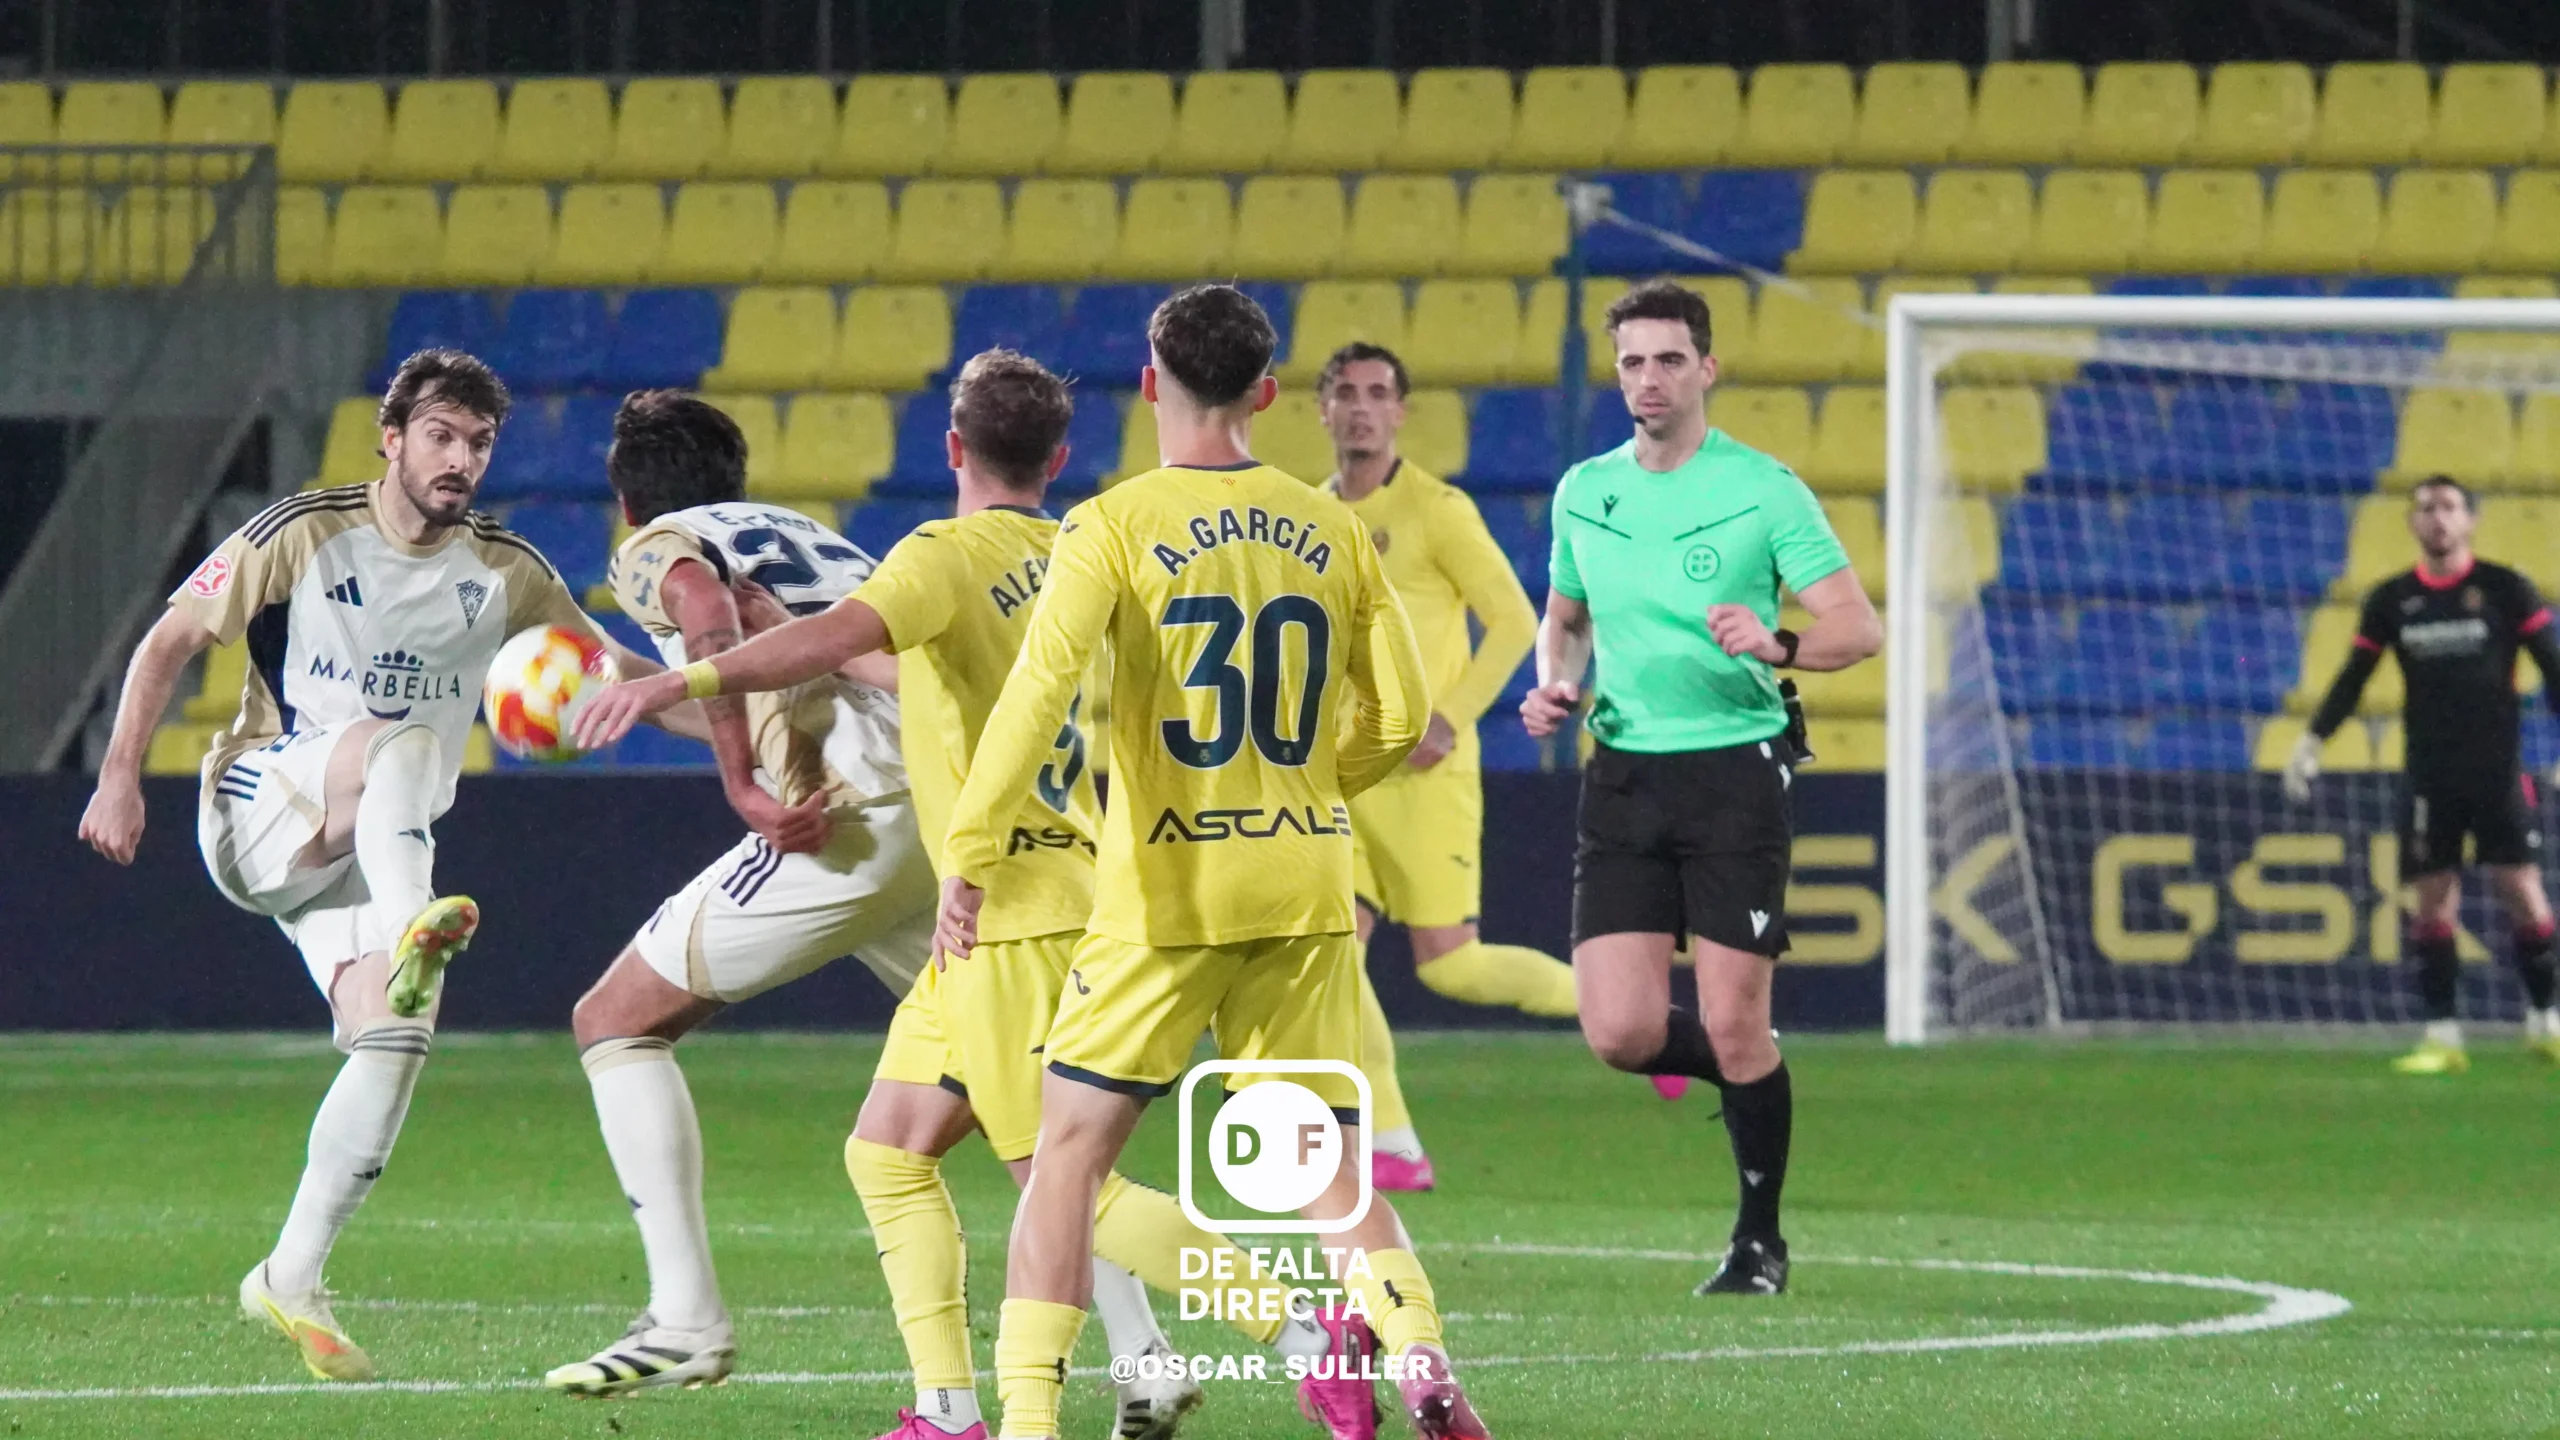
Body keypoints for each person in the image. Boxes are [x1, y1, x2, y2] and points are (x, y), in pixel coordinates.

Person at [575, 351, 1345, 1440]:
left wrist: (708, 717)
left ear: (950, 449)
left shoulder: (910, 554)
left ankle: (1299, 1331)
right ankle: (973, 1402)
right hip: (990, 864)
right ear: (1061, 457)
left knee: (1056, 1166)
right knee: (892, 1148)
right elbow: (905, 674)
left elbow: (763, 631)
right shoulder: (1069, 548)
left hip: (987, 880)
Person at [929, 285, 1491, 1440]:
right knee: (1328, 1172)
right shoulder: (1333, 525)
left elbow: (1038, 697)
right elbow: (1401, 716)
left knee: (1067, 1159)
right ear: (1268, 396)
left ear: (1150, 384)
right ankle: (1421, 1356)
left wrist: (973, 851)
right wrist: (1307, 795)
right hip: (1304, 891)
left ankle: (1029, 1420)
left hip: (1162, 902)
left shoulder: (1112, 524)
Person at [76, 350, 686, 1381]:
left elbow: (612, 668)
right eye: (442, 436)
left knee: (396, 1034)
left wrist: (725, 691)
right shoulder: (301, 531)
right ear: (393, 438)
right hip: (262, 806)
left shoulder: (507, 569)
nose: (461, 460)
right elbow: (169, 641)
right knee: (397, 740)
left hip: (367, 842)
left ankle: (291, 1272)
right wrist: (118, 777)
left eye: (480, 443)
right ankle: (416, 916)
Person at [535, 391, 952, 1395]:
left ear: (626, 500)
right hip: (935, 810)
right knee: (1026, 1107)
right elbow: (761, 667)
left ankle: (685, 1318)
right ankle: (1158, 1351)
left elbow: (708, 619)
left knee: (614, 1021)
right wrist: (638, 688)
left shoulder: (659, 546)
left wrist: (740, 785)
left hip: (843, 815)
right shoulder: (801, 534)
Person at [1521, 279, 1881, 1298]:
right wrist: (1552, 682)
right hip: (1626, 772)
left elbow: (1860, 627)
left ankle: (1758, 1239)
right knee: (1621, 1033)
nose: (1648, 378)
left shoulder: (1763, 490)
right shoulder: (1585, 488)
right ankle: (1757, 1073)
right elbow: (1568, 617)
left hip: (1734, 771)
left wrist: (1782, 643)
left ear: (1706, 368)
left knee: (1730, 1024)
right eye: (1632, 361)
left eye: (1668, 359)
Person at [1313, 341, 1566, 1194]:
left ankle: (1635, 1020)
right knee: (1327, 951)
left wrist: (1450, 719)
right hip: (1342, 776)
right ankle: (1391, 1138)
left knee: (1450, 965)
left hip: (1425, 777)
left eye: (1377, 393)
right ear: (1321, 409)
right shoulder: (1308, 516)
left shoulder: (1437, 511)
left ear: (1400, 413)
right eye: (1344, 392)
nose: (1359, 407)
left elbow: (1513, 622)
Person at [2288, 474, 2560, 1072]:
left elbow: (2554, 668)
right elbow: (2354, 676)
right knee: (2433, 905)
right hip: (2428, 776)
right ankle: (2443, 1038)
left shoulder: (2505, 588)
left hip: (2497, 772)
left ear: (2470, 520)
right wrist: (2313, 740)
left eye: (2449, 507)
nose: (2437, 518)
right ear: (2413, 524)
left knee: (2523, 892)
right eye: (2426, 509)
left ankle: (2546, 1021)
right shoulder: (2392, 599)